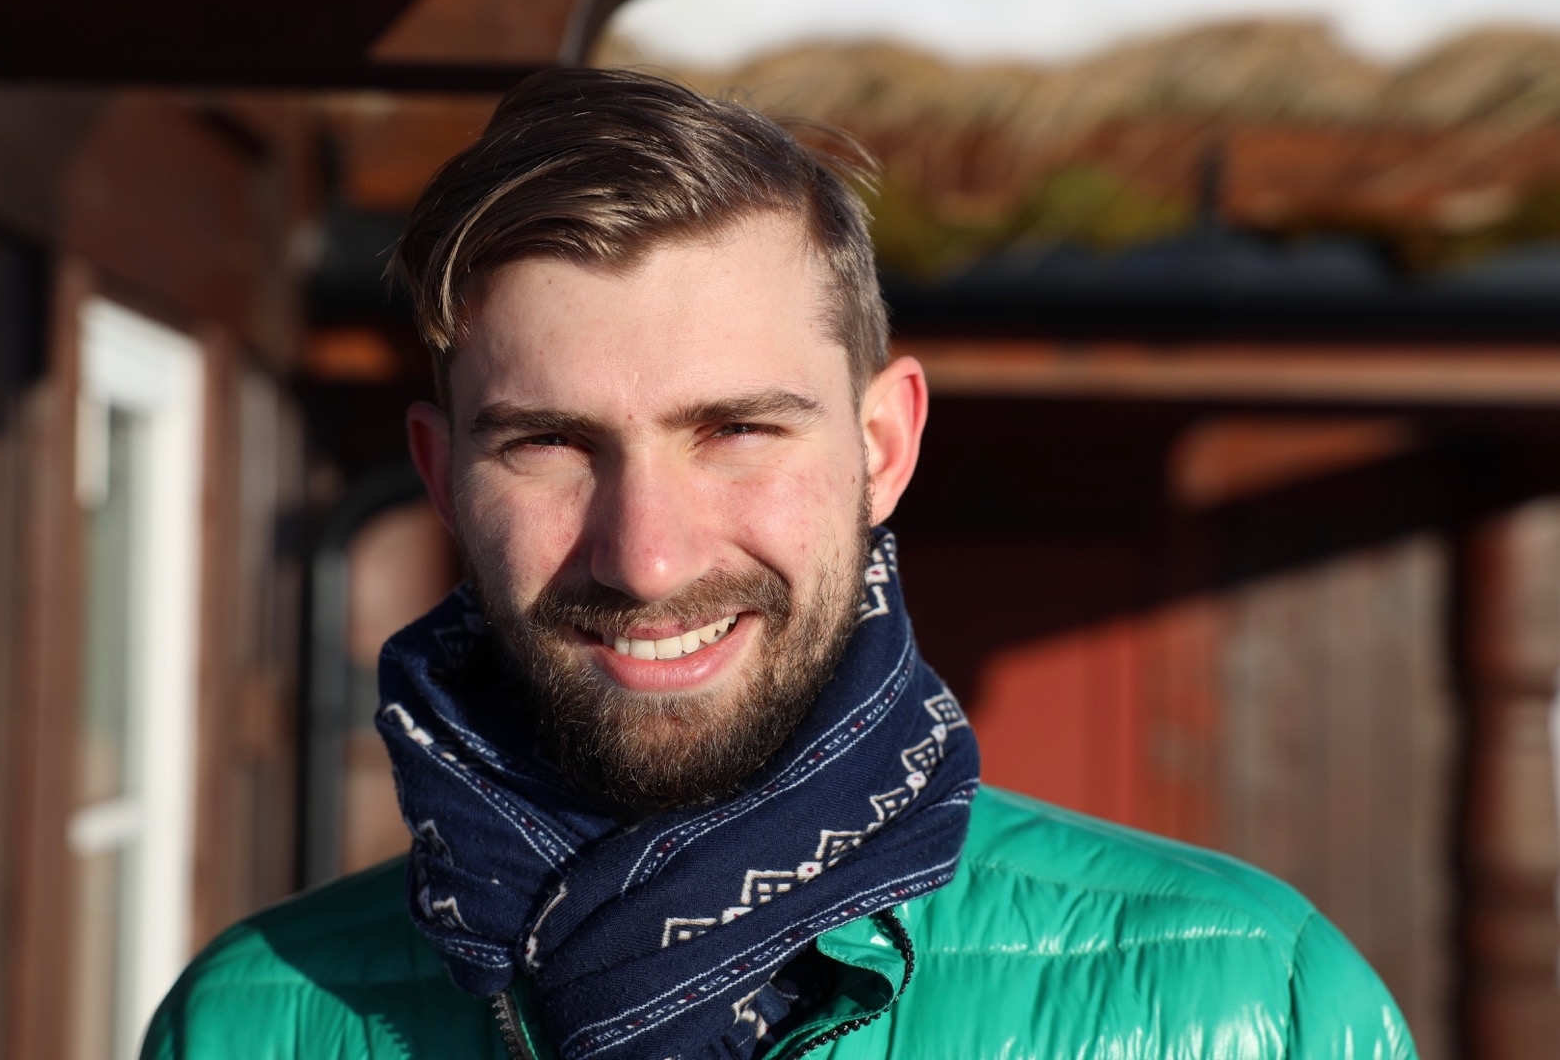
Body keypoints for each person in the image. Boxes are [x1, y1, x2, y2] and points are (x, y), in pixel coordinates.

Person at [143, 68, 1416, 1059]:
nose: (647, 558)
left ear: (883, 446)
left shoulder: (1252, 1003)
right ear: (441, 477)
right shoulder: (251, 1024)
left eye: (736, 431)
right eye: (551, 445)